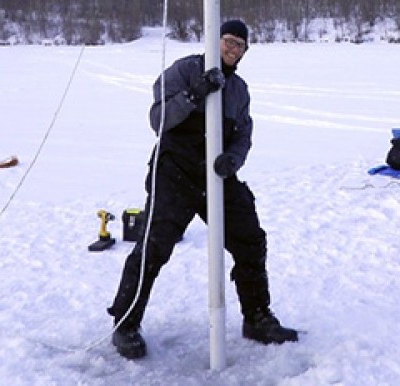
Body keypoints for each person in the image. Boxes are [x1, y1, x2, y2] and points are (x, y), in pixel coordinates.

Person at [107, 20, 298, 359]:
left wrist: (232, 161)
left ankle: (256, 317)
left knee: (250, 239)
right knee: (153, 247)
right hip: (176, 173)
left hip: (216, 175)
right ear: (214, 40)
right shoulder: (184, 70)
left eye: (240, 44)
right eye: (228, 41)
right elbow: (158, 119)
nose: (232, 48)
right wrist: (195, 94)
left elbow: (243, 135)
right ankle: (125, 324)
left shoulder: (239, 90)